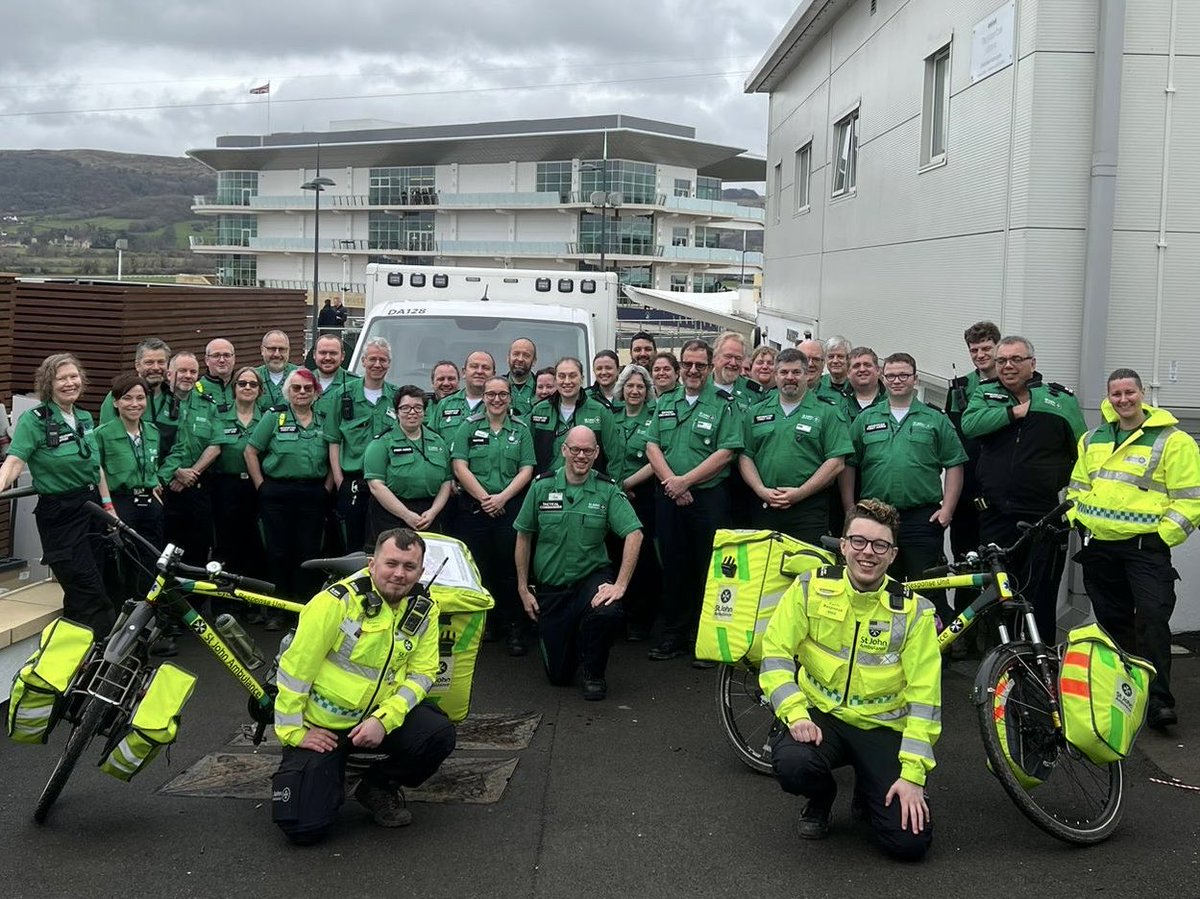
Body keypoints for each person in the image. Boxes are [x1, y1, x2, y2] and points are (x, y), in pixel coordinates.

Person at [760, 499, 940, 861]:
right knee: (794, 764)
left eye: (879, 545)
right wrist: (796, 714)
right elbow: (776, 652)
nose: (867, 553)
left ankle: (870, 786)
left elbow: (925, 700)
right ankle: (822, 798)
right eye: (858, 541)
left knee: (909, 845)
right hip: (822, 716)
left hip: (881, 728)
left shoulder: (915, 611)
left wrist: (913, 776)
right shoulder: (810, 587)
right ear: (843, 546)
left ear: (892, 555)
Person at [272, 528, 455, 844]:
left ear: (421, 572)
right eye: (391, 563)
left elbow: (423, 674)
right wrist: (295, 732)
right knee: (303, 830)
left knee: (438, 734)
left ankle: (377, 785)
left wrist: (383, 721)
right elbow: (294, 670)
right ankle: (325, 776)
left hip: (375, 722)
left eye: (409, 567)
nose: (399, 574)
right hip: (323, 727)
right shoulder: (335, 603)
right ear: (372, 564)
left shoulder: (424, 609)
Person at [1067, 369, 1200, 729]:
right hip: (1101, 549)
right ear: (1108, 398)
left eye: (1129, 392)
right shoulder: (1092, 438)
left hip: (1146, 549)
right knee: (1113, 623)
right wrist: (1080, 522)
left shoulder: (1174, 441)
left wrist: (1163, 536)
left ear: (1143, 394)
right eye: (1116, 394)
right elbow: (1078, 487)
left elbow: (1191, 499)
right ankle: (1124, 694)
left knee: (1153, 620)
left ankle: (1158, 700)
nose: (1123, 400)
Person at [962, 335, 1085, 642]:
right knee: (998, 593)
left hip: (1043, 518)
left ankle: (1039, 661)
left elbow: (1084, 454)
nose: (1008, 366)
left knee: (1039, 595)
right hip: (996, 516)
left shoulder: (1060, 401)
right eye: (1002, 360)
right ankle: (999, 661)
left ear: (1033, 363)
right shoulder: (985, 394)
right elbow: (971, 425)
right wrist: (1016, 412)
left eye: (1016, 359)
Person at [514, 426, 643, 700]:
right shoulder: (541, 486)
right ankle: (568, 639)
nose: (581, 456)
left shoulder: (606, 490)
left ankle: (594, 673)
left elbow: (635, 533)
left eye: (587, 450)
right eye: (575, 449)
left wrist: (620, 585)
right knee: (558, 677)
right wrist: (524, 589)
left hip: (589, 579)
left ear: (596, 453)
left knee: (607, 611)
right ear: (564, 450)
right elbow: (524, 536)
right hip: (552, 588)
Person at [843, 353, 966, 624]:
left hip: (921, 519)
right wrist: (849, 507)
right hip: (876, 518)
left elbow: (955, 464)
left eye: (904, 375)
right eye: (891, 376)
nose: (897, 381)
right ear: (882, 379)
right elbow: (849, 464)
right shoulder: (866, 419)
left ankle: (936, 651)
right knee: (879, 585)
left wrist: (947, 509)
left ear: (915, 379)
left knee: (928, 587)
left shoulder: (935, 419)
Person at [0, 354, 114, 635]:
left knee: (92, 584)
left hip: (92, 508)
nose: (69, 383)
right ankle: (99, 654)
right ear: (48, 383)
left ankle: (80, 661)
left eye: (74, 377)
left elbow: (95, 466)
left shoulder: (84, 416)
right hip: (61, 514)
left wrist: (109, 506)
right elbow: (14, 461)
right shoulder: (34, 420)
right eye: (61, 378)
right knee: (88, 588)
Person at [644, 339, 743, 662]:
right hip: (669, 497)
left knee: (708, 570)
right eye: (687, 363)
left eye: (700, 364)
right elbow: (652, 447)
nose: (693, 370)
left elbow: (726, 452)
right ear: (680, 364)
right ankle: (672, 634)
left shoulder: (722, 404)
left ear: (711, 365)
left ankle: (704, 640)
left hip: (708, 498)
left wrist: (686, 481)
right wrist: (673, 482)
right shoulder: (667, 401)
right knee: (673, 566)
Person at [450, 375, 536, 655]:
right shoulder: (468, 426)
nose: (496, 399)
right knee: (479, 568)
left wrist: (502, 498)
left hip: (509, 507)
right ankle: (485, 625)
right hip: (475, 507)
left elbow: (527, 469)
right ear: (483, 396)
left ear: (510, 397)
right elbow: (459, 465)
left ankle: (514, 627)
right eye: (491, 394)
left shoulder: (521, 429)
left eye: (502, 394)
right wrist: (485, 498)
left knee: (511, 570)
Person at [245, 368, 333, 624]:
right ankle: (277, 610)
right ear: (288, 392)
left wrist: (327, 488)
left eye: (308, 388)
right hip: (277, 493)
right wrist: (261, 486)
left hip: (313, 493)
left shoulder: (324, 419)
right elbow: (250, 452)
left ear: (316, 392)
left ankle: (301, 608)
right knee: (277, 552)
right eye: (296, 388)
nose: (302, 392)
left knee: (307, 552)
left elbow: (332, 454)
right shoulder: (274, 418)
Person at [740, 348, 852, 544]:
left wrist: (800, 493)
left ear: (807, 374)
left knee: (807, 569)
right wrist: (760, 489)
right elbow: (745, 455)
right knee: (765, 569)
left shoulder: (827, 412)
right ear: (775, 375)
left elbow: (836, 462)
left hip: (809, 510)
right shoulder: (756, 412)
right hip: (765, 507)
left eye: (796, 372)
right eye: (783, 372)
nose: (789, 377)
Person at [945, 321, 1001, 631]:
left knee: (998, 564)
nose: (980, 354)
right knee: (964, 561)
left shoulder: (1011, 386)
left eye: (985, 349)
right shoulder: (961, 388)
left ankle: (994, 630)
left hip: (998, 493)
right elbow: (953, 440)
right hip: (967, 491)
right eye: (974, 350)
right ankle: (964, 629)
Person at [194, 366, 266, 593]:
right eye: (242, 383)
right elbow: (213, 446)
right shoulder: (219, 413)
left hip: (256, 486)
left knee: (254, 542)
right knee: (226, 541)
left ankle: (252, 598)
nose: (247, 388)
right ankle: (225, 595)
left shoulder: (267, 417)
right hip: (225, 485)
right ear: (233, 388)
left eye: (252, 384)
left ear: (260, 390)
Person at [95, 373, 163, 610]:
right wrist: (108, 507)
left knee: (152, 561)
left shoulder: (152, 432)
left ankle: (150, 618)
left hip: (150, 503)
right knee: (125, 562)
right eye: (127, 398)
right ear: (115, 402)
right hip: (121, 503)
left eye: (140, 398)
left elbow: (152, 466)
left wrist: (155, 481)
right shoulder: (102, 434)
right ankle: (124, 618)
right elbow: (97, 470)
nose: (135, 404)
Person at [325, 337, 398, 553]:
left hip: (388, 483)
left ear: (389, 363)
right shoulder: (343, 395)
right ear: (363, 361)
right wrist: (339, 479)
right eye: (373, 359)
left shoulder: (396, 396)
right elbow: (333, 439)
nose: (377, 364)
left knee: (384, 542)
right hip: (353, 480)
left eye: (383, 360)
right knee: (352, 544)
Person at [607, 363, 661, 641]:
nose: (635, 391)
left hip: (641, 497)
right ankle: (618, 614)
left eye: (640, 386)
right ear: (622, 388)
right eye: (630, 386)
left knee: (642, 559)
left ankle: (640, 619)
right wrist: (615, 488)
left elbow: (656, 457)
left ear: (647, 390)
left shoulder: (655, 416)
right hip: (613, 497)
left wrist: (626, 484)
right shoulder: (611, 415)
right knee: (615, 555)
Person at [364, 385, 453, 542]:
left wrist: (433, 512)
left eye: (418, 407)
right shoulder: (382, 443)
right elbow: (376, 486)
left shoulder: (438, 441)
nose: (412, 412)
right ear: (397, 412)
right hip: (392, 514)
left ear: (425, 411)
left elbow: (446, 482)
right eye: (405, 408)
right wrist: (406, 515)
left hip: (429, 514)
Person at [158, 351, 217, 569]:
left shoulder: (207, 404)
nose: (188, 375)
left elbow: (216, 445)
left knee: (197, 550)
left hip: (196, 487)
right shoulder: (156, 404)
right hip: (164, 487)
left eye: (193, 371)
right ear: (169, 374)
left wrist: (190, 473)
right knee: (164, 548)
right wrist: (176, 471)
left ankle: (194, 601)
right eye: (182, 370)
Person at [529, 357, 615, 474]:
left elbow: (615, 457)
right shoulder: (540, 410)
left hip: (588, 487)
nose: (567, 381)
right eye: (562, 376)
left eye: (573, 375)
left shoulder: (600, 411)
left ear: (582, 379)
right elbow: (528, 456)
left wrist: (613, 489)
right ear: (555, 380)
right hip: (547, 486)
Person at [99, 338, 176, 458]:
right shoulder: (119, 398)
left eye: (161, 362)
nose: (156, 368)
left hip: (166, 474)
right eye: (149, 362)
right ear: (137, 365)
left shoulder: (174, 401)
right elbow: (106, 443)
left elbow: (180, 446)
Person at [428, 351, 493, 440]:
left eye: (485, 368)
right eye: (474, 366)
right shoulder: (445, 404)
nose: (479, 371)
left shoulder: (500, 405)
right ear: (464, 372)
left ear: (493, 374)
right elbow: (431, 442)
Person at [310, 333, 360, 415]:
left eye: (333, 353)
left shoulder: (356, 385)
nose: (328, 358)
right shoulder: (303, 382)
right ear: (314, 355)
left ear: (342, 356)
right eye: (323, 353)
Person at [196, 338, 237, 421]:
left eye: (226, 355)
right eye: (216, 355)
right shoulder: (196, 389)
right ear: (207, 360)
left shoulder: (244, 386)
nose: (222, 360)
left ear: (234, 359)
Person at [256, 329, 297, 411]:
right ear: (262, 350)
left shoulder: (300, 375)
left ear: (289, 350)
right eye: (272, 349)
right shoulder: (252, 377)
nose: (277, 354)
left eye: (282, 349)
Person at [845, 347, 885, 421]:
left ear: (878, 370)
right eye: (856, 366)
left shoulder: (891, 399)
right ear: (848, 373)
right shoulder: (839, 401)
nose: (862, 369)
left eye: (867, 365)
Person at [505, 338, 538, 417]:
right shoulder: (496, 388)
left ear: (534, 361)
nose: (520, 359)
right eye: (516, 354)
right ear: (508, 358)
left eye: (526, 355)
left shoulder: (542, 389)